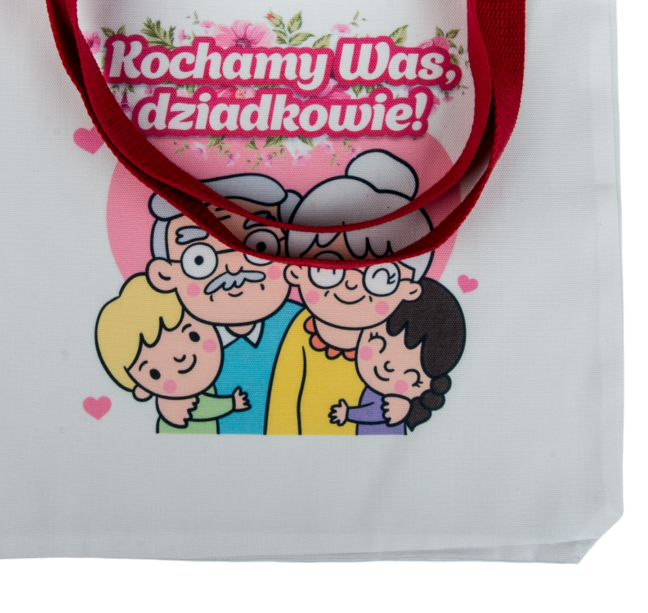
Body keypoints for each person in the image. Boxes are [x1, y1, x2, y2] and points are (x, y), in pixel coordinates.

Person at [265, 151, 434, 435]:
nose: (352, 284)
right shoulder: (299, 331)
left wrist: (403, 407)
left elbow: (402, 400)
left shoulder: (394, 342)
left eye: (380, 277)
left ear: (409, 288)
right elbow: (284, 395)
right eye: (328, 268)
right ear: (296, 272)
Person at [146, 174, 301, 434]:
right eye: (199, 259)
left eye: (260, 245)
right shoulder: (180, 348)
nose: (233, 266)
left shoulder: (303, 329)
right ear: (166, 274)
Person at [95, 274, 249, 434]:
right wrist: (232, 403)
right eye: (155, 373)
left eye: (193, 336)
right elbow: (202, 408)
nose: (181, 357)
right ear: (141, 390)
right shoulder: (173, 404)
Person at [329, 278, 466, 434]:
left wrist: (348, 413)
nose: (387, 366)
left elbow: (375, 413)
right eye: (376, 341)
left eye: (409, 372)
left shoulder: (397, 402)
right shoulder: (375, 389)